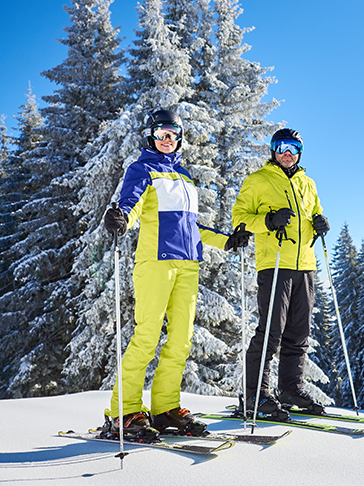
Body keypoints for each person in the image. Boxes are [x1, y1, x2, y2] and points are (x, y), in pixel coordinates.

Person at [99, 109, 252, 440]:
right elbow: (132, 203)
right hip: (156, 262)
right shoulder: (143, 169)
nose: (167, 139)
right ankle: (122, 412)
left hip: (188, 264)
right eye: (161, 134)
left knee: (181, 341)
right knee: (147, 337)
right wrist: (122, 218)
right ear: (151, 136)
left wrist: (227, 240)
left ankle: (165, 408)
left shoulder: (185, 177)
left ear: (179, 137)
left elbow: (191, 226)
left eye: (173, 134)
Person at [231, 127, 330, 420]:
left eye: (294, 147)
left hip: (306, 265)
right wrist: (269, 220)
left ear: (300, 153)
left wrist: (321, 223)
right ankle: (255, 396)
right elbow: (239, 218)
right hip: (274, 263)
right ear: (273, 150)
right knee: (272, 330)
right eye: (282, 146)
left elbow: (315, 214)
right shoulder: (258, 180)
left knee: (298, 333)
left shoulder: (308, 183)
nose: (288, 152)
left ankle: (290, 390)